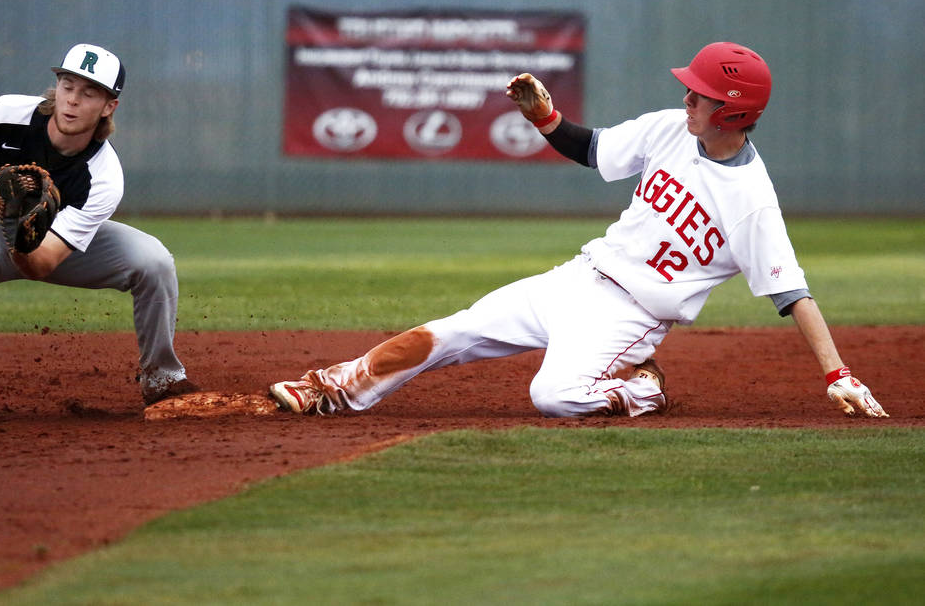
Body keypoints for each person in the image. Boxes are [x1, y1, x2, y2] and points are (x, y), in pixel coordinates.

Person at [268, 41, 887, 420]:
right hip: (579, 277)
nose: (687, 98)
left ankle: (643, 390)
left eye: (699, 94)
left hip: (632, 317)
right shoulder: (671, 129)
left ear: (734, 111)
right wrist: (545, 117)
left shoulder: (751, 199)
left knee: (555, 397)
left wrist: (837, 374)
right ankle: (334, 389)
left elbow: (791, 293)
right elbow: (593, 150)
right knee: (451, 330)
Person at [0, 43, 197, 424]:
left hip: (51, 245)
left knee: (153, 261)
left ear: (109, 107)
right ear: (56, 87)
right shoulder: (4, 113)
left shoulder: (104, 176)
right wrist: (7, 204)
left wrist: (23, 231)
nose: (72, 100)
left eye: (89, 93)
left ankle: (163, 380)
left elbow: (42, 264)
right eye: (68, 86)